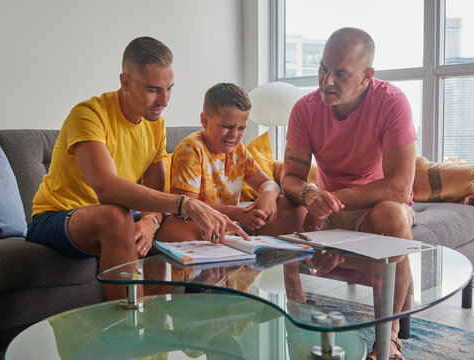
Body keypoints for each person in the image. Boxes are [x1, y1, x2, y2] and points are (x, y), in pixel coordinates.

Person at [27, 37, 248, 301]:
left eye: (169, 89)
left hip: (116, 217)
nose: (164, 100)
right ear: (125, 82)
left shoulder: (155, 125)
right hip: (57, 217)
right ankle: (132, 328)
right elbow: (105, 187)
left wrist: (150, 221)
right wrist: (186, 204)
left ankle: (200, 320)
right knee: (116, 215)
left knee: (188, 228)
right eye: (154, 90)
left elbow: (154, 196)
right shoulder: (88, 114)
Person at [261, 27, 416, 359]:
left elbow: (400, 187)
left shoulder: (392, 103)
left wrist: (333, 198)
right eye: (322, 68)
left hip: (372, 205)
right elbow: (290, 177)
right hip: (328, 205)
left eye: (340, 73)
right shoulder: (305, 109)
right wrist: (310, 195)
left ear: (366, 76)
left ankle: (387, 335)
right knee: (282, 211)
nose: (326, 81)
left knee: (394, 215)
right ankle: (297, 315)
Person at [155, 82, 281, 243]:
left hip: (224, 228)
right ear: (205, 121)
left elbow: (269, 184)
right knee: (183, 227)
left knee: (283, 205)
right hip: (191, 223)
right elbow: (187, 207)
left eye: (242, 128)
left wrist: (268, 195)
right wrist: (237, 213)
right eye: (227, 126)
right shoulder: (192, 148)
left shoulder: (239, 151)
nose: (234, 135)